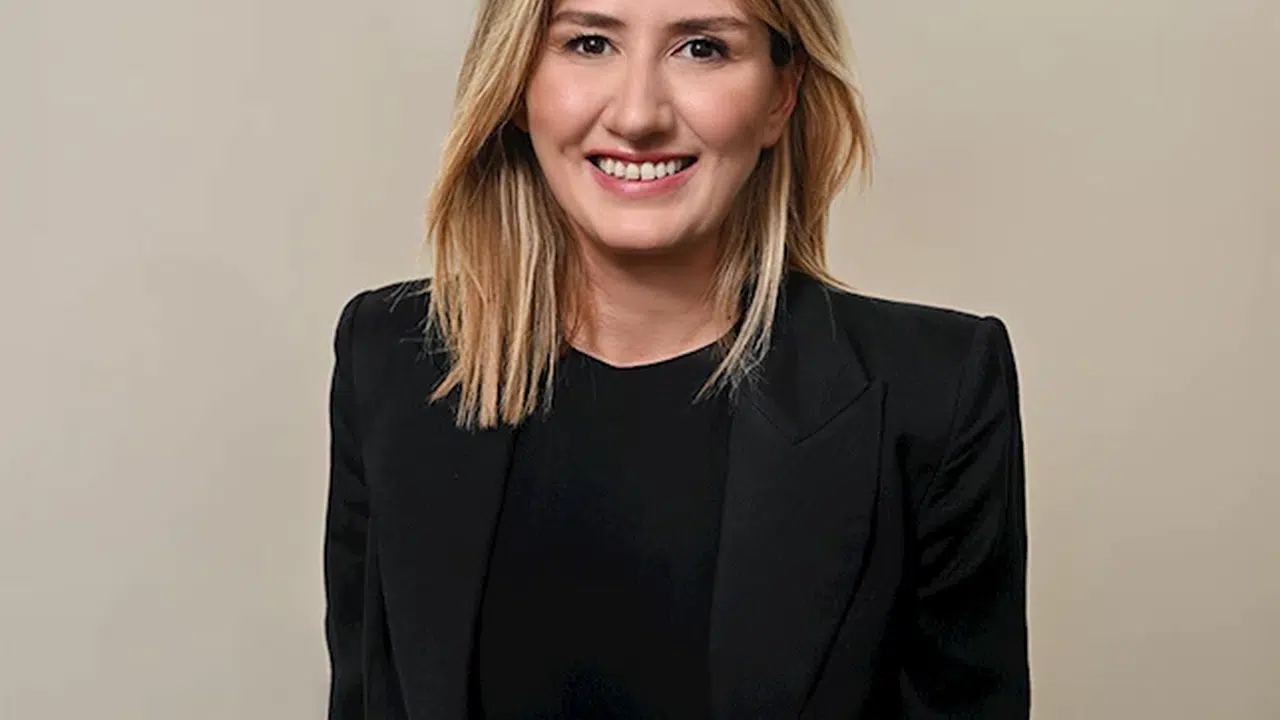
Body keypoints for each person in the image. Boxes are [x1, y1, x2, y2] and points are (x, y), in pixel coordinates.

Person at [323, 0, 1030, 717]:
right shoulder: (387, 360)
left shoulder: (935, 394)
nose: (638, 116)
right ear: (515, 85)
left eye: (702, 48)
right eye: (589, 42)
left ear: (781, 95)